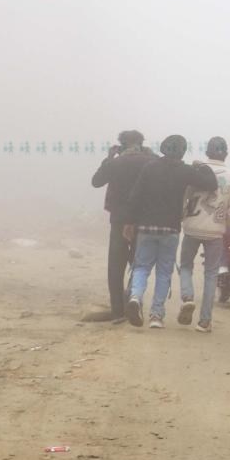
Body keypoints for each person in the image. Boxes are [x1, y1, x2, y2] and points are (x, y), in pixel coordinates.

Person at [125, 135, 217, 328]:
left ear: (163, 148)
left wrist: (130, 222)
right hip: (170, 229)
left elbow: (135, 195)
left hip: (146, 227)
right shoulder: (185, 171)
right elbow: (211, 184)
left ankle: (135, 297)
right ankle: (156, 316)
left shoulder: (149, 167)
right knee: (164, 272)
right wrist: (202, 166)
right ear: (183, 152)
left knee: (141, 267)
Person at [177, 137, 230, 332]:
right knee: (211, 274)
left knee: (186, 265)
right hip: (215, 232)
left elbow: (183, 197)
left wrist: (183, 216)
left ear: (207, 152)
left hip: (192, 228)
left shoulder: (195, 171)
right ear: (226, 154)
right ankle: (204, 321)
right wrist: (224, 222)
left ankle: (188, 297)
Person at [90, 130, 156, 323]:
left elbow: (96, 182)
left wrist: (109, 158)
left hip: (119, 220)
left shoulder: (115, 163)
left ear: (122, 145)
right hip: (143, 220)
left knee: (115, 266)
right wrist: (151, 154)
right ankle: (133, 301)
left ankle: (117, 310)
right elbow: (164, 170)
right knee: (139, 265)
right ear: (141, 143)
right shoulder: (150, 162)